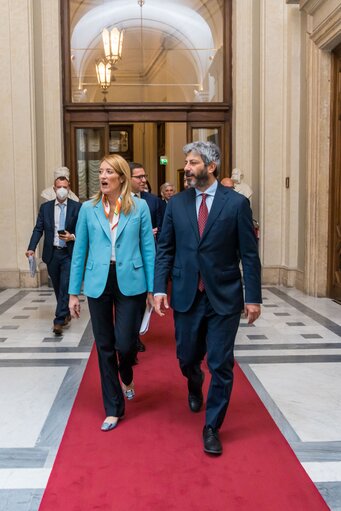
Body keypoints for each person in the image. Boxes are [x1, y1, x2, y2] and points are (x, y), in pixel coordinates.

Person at [154, 141, 262, 456]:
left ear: (210, 167)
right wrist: (160, 288)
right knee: (187, 357)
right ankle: (193, 379)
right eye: (186, 162)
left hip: (224, 296)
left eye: (192, 163)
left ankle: (212, 426)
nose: (186, 168)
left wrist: (252, 296)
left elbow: (249, 255)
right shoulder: (177, 204)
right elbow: (166, 250)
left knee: (221, 363)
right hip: (187, 293)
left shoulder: (237, 204)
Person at [68, 154, 155, 432]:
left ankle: (127, 372)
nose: (103, 176)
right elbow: (79, 251)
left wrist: (153, 289)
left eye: (108, 172)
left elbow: (148, 250)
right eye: (101, 172)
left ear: (121, 178)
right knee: (104, 345)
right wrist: (72, 293)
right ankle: (114, 408)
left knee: (125, 344)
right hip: (98, 280)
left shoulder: (139, 208)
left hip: (131, 278)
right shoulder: (88, 209)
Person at [26, 175, 82, 336]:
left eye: (65, 186)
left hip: (69, 253)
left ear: (69, 187)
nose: (62, 189)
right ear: (54, 188)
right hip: (52, 253)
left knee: (65, 285)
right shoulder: (46, 208)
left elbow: (83, 230)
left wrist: (72, 236)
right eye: (59, 187)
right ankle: (64, 313)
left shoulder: (77, 207)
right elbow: (38, 229)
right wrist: (31, 248)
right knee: (58, 286)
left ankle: (58, 320)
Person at [129, 161, 163, 352]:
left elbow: (162, 225)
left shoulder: (152, 200)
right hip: (128, 259)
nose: (144, 180)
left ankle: (135, 335)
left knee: (143, 299)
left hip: (147, 256)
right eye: (139, 177)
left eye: (145, 176)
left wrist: (155, 232)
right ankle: (128, 335)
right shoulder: (119, 200)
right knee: (129, 301)